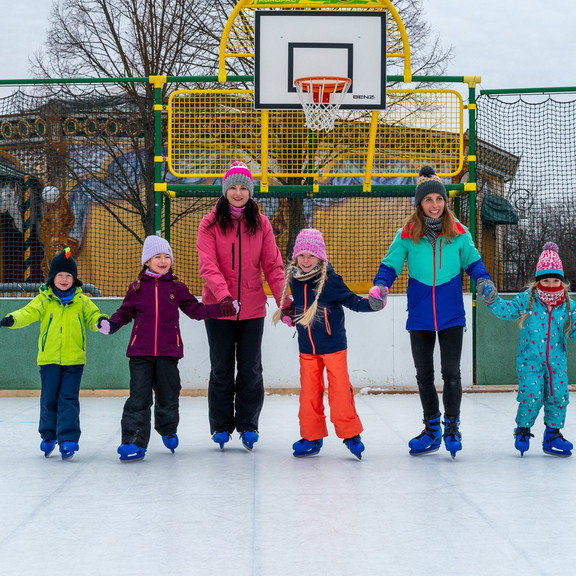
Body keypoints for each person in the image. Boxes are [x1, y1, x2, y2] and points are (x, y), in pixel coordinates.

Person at [370, 165, 494, 458]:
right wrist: (380, 286)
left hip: (451, 313)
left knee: (451, 373)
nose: (434, 205)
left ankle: (452, 426)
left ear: (445, 203)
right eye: (429, 200)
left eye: (439, 199)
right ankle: (432, 429)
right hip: (421, 314)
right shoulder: (407, 234)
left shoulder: (460, 233)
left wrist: (484, 280)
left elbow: (474, 262)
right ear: (420, 204)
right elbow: (390, 265)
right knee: (424, 375)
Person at [99, 235, 237, 462]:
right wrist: (111, 325)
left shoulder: (177, 288)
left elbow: (196, 311)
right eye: (157, 257)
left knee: (168, 395)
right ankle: (133, 440)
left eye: (166, 257)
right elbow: (124, 313)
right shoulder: (136, 288)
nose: (163, 261)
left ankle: (168, 428)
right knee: (139, 398)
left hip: (168, 352)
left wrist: (222, 310)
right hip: (140, 353)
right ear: (146, 261)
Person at [196, 161, 288, 451]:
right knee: (221, 368)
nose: (238, 193)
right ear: (225, 191)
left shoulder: (261, 223)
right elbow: (208, 265)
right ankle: (221, 426)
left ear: (250, 191)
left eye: (243, 187)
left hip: (251, 308)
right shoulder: (209, 223)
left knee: (250, 369)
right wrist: (223, 297)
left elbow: (273, 266)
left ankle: (248, 424)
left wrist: (285, 302)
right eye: (233, 187)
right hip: (218, 308)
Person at [273, 228, 378, 460]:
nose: (306, 260)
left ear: (321, 257)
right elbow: (298, 305)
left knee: (340, 390)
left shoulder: (330, 280)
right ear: (295, 257)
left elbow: (352, 301)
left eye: (312, 255)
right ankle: (312, 436)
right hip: (307, 348)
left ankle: (350, 434)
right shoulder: (293, 278)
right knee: (309, 393)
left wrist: (372, 304)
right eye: (302, 255)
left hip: (333, 346)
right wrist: (290, 314)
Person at [0, 248, 106, 460]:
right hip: (48, 360)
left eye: (68, 275)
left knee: (68, 398)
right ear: (52, 278)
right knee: (49, 398)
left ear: (74, 279)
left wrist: (101, 322)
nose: (64, 279)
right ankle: (48, 435)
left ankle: (68, 439)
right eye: (60, 275)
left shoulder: (82, 300)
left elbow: (94, 315)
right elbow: (27, 313)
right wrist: (12, 319)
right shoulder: (44, 299)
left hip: (74, 360)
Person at [479, 242, 575, 457]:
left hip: (557, 361)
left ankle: (553, 434)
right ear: (538, 280)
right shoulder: (528, 300)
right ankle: (523, 429)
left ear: (562, 281)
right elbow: (508, 311)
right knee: (531, 394)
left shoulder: (568, 305)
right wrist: (492, 300)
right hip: (530, 360)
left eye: (555, 280)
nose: (551, 284)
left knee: (558, 395)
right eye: (546, 280)